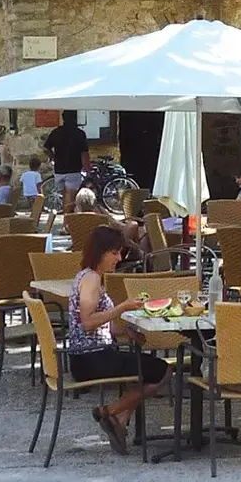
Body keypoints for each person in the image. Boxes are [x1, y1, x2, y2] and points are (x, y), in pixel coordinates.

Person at [69, 225, 170, 453]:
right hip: (91, 358)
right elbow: (87, 322)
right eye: (114, 253)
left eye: (119, 253)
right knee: (162, 370)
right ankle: (109, 411)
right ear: (100, 252)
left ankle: (119, 420)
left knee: (146, 368)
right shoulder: (92, 279)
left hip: (90, 355)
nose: (119, 258)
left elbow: (101, 324)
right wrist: (122, 307)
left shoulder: (89, 277)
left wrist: (125, 332)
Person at [44, 112, 89, 211]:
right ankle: (68, 218)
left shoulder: (56, 132)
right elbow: (84, 153)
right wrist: (87, 167)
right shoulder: (79, 133)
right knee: (70, 195)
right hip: (73, 168)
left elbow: (46, 148)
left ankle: (66, 217)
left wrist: (53, 156)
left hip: (59, 169)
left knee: (64, 194)